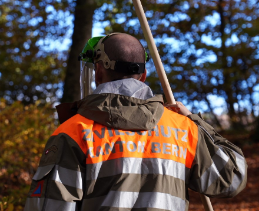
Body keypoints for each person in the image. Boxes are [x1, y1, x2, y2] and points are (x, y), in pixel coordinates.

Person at [24, 33, 247, 211]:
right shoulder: (184, 128)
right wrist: (194, 120)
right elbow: (231, 178)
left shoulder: (73, 132)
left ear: (98, 71)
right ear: (144, 74)